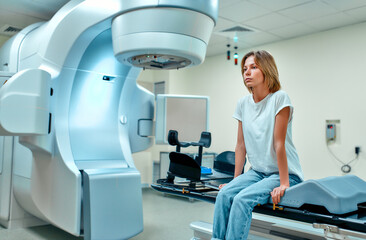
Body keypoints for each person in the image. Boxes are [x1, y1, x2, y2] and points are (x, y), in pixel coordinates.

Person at [212, 50, 304, 240]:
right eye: (245, 69)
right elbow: (240, 146)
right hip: (257, 172)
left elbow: (279, 144)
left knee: (241, 200)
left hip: (282, 173)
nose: (247, 72)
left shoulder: (280, 98)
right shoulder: (243, 104)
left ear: (267, 70)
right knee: (224, 195)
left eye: (254, 67)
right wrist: (235, 180)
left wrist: (285, 183)